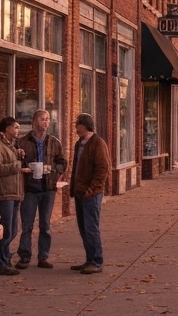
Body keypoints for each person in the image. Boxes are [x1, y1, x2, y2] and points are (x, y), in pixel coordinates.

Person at [16, 109, 67, 270]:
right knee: (27, 225)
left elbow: (62, 162)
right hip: (30, 188)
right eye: (42, 119)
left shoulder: (54, 142)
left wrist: (53, 172)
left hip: (48, 188)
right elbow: (15, 162)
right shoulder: (22, 142)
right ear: (34, 122)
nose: (46, 122)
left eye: (47, 119)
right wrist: (24, 167)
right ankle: (24, 257)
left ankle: (43, 257)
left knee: (45, 225)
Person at [68, 113, 111, 274]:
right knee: (83, 228)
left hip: (91, 194)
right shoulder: (79, 144)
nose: (75, 127)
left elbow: (102, 169)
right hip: (80, 192)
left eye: (77, 124)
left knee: (91, 227)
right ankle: (89, 259)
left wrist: (91, 190)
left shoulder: (97, 143)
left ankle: (96, 261)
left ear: (85, 125)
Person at [0, 116, 28, 275]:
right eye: (15, 127)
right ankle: (0, 262)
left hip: (13, 193)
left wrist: (17, 154)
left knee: (12, 229)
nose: (18, 130)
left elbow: (8, 160)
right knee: (5, 229)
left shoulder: (9, 146)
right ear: (7, 129)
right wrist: (17, 165)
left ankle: (4, 259)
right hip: (3, 194)